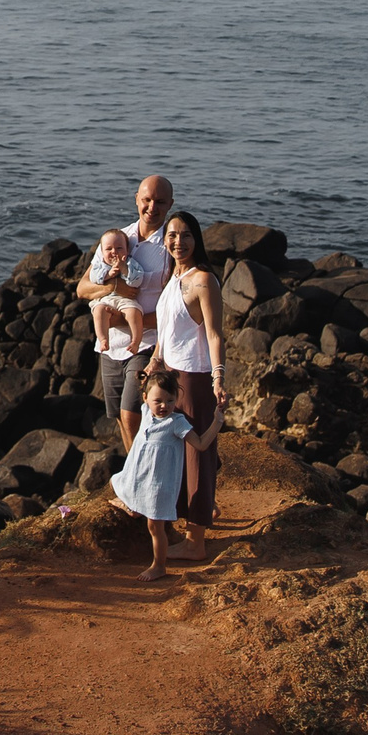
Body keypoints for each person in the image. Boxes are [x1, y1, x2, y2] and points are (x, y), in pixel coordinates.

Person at [145, 208, 229, 531]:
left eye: (186, 235)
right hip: (170, 374)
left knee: (197, 455)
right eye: (172, 235)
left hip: (194, 378)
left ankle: (196, 538)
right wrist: (155, 360)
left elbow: (214, 333)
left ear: (197, 239)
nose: (179, 242)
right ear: (165, 240)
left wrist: (218, 375)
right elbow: (166, 331)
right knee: (176, 450)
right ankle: (204, 507)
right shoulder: (174, 278)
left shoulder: (203, 280)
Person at [80, 174, 172, 450]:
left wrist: (134, 323)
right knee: (120, 416)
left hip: (146, 343)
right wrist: (116, 288)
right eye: (146, 200)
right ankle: (135, 477)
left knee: (132, 412)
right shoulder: (118, 239)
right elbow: (83, 289)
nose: (152, 207)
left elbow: (176, 305)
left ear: (170, 205)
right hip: (110, 345)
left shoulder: (170, 245)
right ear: (136, 199)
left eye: (159, 202)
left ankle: (141, 479)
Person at [109, 371, 223, 576]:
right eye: (158, 401)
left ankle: (158, 566)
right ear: (145, 398)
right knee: (115, 482)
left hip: (159, 486)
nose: (164, 406)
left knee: (155, 527)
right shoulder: (145, 411)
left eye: (170, 401)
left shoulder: (176, 423)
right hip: (138, 477)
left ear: (177, 400)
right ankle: (133, 504)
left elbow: (201, 444)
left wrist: (217, 421)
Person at [82, 228, 148, 363]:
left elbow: (138, 280)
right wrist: (109, 275)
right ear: (102, 252)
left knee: (134, 312)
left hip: (126, 300)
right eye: (109, 249)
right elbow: (94, 278)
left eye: (119, 248)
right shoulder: (100, 265)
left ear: (127, 250)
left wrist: (124, 269)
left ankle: (135, 341)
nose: (114, 252)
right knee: (99, 311)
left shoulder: (130, 263)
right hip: (105, 299)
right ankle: (103, 339)